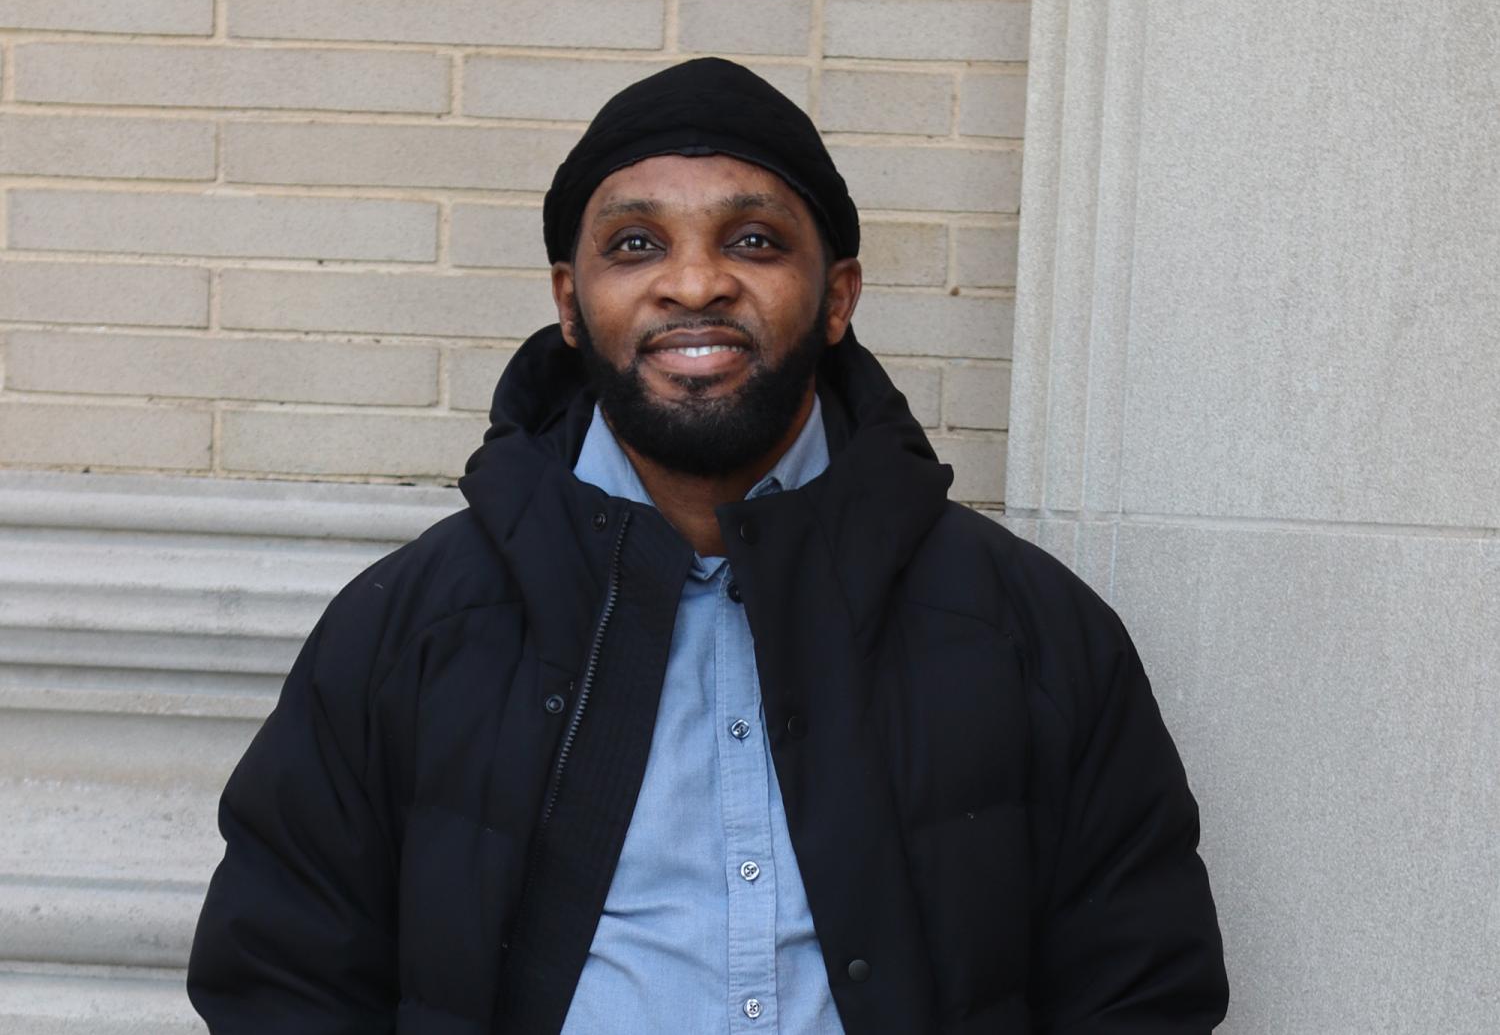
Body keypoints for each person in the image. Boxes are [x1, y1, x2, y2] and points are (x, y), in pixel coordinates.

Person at [187, 58, 1228, 1034]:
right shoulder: (408, 628)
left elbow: (1141, 985)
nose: (693, 284)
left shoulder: (1031, 632)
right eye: (636, 243)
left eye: (754, 241)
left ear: (839, 298)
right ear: (568, 303)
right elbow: (281, 975)